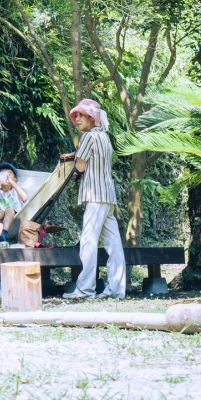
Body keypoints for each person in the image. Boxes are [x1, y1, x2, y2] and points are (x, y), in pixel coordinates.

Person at [63, 98, 126, 300]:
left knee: (88, 242)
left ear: (92, 118)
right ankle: (116, 289)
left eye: (81, 115)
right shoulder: (105, 137)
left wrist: (72, 166)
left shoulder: (89, 137)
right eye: (77, 116)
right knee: (113, 245)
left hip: (95, 195)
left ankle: (85, 289)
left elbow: (80, 167)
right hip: (108, 197)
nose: (78, 119)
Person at [0, 162, 27, 244]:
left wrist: (12, 182)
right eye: (2, 174)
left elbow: (24, 198)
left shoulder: (15, 190)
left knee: (9, 209)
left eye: (9, 174)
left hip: (14, 216)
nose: (5, 176)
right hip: (0, 215)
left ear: (15, 179)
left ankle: (3, 233)